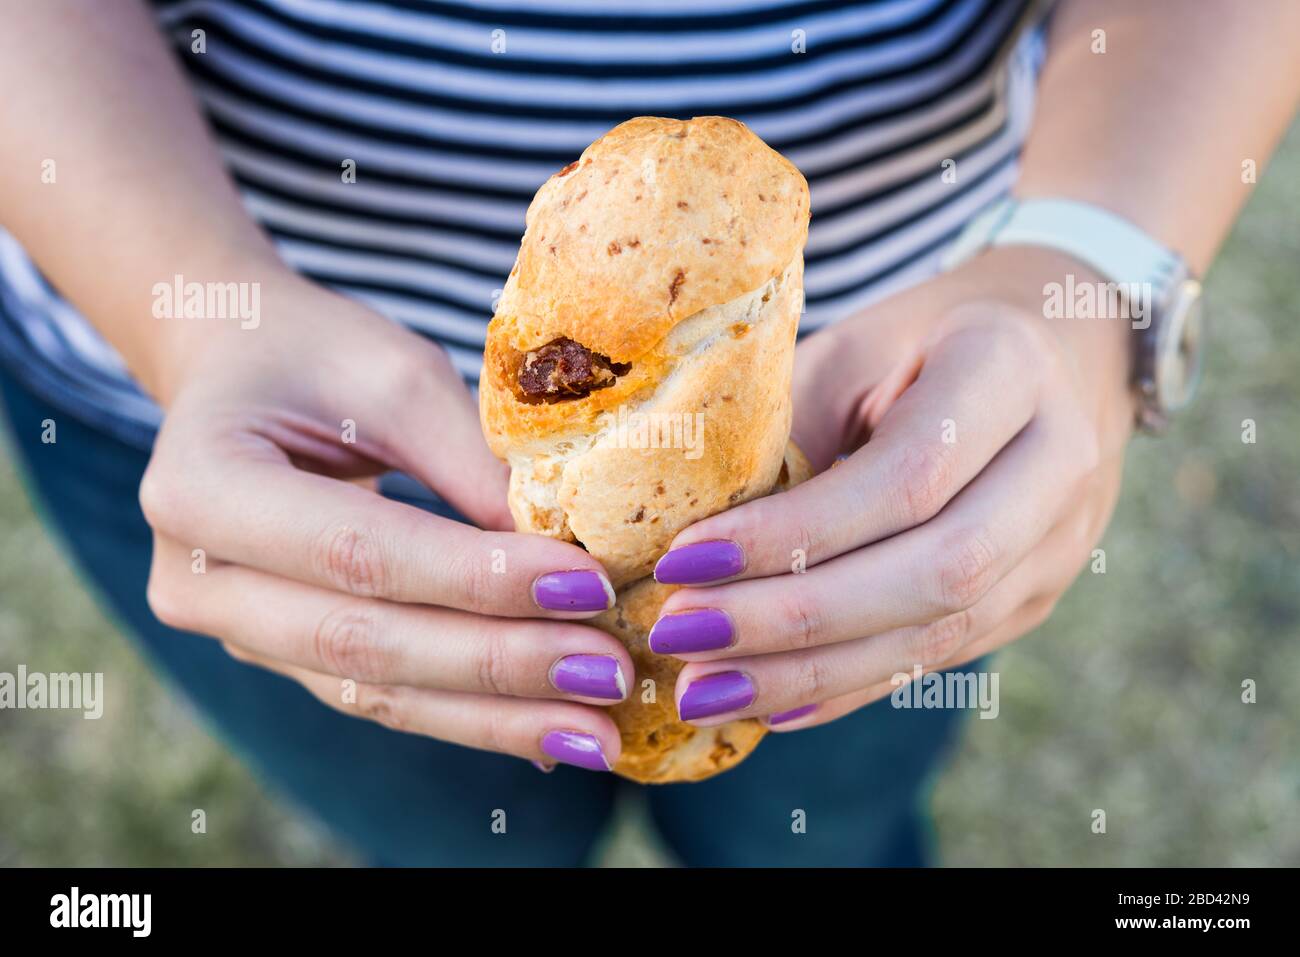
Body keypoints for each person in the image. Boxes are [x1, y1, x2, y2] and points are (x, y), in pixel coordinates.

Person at [1, 0, 1296, 866]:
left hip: (892, 455)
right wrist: (187, 309)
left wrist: (1089, 261)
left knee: (820, 833)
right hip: (259, 446)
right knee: (462, 840)